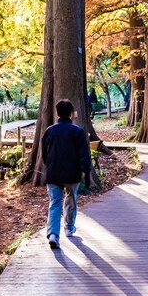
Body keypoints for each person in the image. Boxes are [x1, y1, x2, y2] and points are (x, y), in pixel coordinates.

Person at [41, 99, 91, 250]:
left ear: (57, 113)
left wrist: (49, 166)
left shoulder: (49, 130)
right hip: (72, 173)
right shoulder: (78, 131)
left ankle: (53, 234)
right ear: (71, 114)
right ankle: (69, 228)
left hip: (53, 173)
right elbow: (84, 155)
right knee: (71, 200)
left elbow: (44, 154)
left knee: (54, 203)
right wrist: (86, 173)